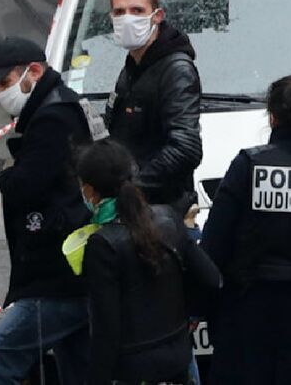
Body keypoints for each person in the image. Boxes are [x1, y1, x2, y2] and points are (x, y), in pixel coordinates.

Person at [200, 75, 291, 384]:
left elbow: (213, 245)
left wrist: (200, 307)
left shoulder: (248, 165)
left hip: (250, 319)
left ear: (273, 118)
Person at [0, 37, 92, 384]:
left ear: (34, 72)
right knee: (77, 366)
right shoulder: (58, 106)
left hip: (56, 275)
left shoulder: (53, 118)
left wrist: (9, 177)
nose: (0, 93)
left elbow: (26, 186)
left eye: (5, 82)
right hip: (70, 269)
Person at [69, 139, 219, 385]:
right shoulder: (168, 219)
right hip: (178, 362)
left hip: (133, 372)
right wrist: (185, 319)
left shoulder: (103, 245)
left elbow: (105, 331)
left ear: (90, 191)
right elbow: (211, 280)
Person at [107, 0, 202, 215]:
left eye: (137, 11)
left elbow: (186, 148)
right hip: (136, 208)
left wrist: (134, 188)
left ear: (157, 16)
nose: (127, 19)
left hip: (162, 211)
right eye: (119, 12)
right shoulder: (132, 66)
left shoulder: (175, 70)